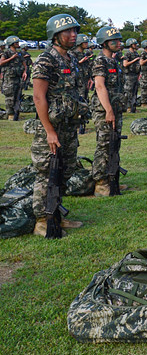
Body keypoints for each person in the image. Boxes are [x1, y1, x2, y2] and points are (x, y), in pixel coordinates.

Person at [30, 14, 86, 237]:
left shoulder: (70, 59)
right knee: (47, 173)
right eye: (68, 32)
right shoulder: (46, 60)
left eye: (75, 31)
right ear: (55, 36)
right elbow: (38, 97)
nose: (73, 35)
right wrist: (49, 131)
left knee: (65, 170)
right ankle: (43, 221)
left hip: (68, 126)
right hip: (51, 129)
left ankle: (56, 216)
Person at [90, 26, 126, 196]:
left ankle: (112, 179)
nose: (119, 43)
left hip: (115, 108)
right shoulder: (100, 61)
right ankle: (100, 182)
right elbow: (99, 86)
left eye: (119, 40)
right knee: (104, 144)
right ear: (104, 43)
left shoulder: (115, 60)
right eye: (115, 41)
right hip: (104, 109)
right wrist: (108, 110)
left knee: (114, 143)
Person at [0, 36, 28, 120]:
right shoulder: (6, 53)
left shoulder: (19, 53)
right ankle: (10, 114)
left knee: (18, 96)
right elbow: (1, 63)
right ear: (11, 44)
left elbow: (24, 64)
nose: (18, 44)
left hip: (18, 78)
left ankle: (16, 114)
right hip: (9, 78)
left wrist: (25, 72)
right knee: (10, 96)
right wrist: (11, 58)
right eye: (16, 43)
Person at [122, 38, 141, 112]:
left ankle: (133, 107)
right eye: (134, 44)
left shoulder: (136, 53)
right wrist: (134, 60)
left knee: (134, 92)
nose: (136, 45)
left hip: (135, 74)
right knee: (128, 92)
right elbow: (125, 64)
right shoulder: (127, 53)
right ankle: (128, 107)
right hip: (129, 75)